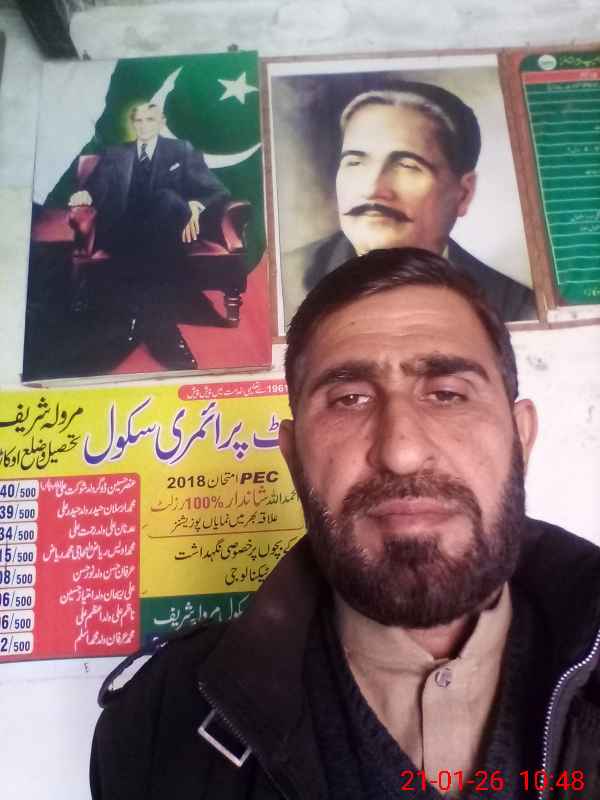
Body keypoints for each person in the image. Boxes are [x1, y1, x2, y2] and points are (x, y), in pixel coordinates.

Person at [90, 249, 600, 799]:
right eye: (349, 399)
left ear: (520, 437)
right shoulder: (156, 727)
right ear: (294, 457)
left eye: (447, 394)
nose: (401, 451)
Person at [283, 84, 537, 324]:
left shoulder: (517, 307)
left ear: (463, 193)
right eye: (355, 162)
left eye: (407, 165)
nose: (373, 189)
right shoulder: (285, 284)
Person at [69, 102, 230, 370]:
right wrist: (84, 194)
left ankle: (138, 318)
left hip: (166, 226)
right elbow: (94, 189)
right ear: (133, 124)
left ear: (161, 122)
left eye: (150, 119)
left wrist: (195, 205)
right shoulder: (114, 153)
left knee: (167, 199)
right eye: (139, 120)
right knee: (157, 233)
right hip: (123, 230)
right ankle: (161, 327)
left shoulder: (181, 150)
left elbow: (217, 190)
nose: (144, 125)